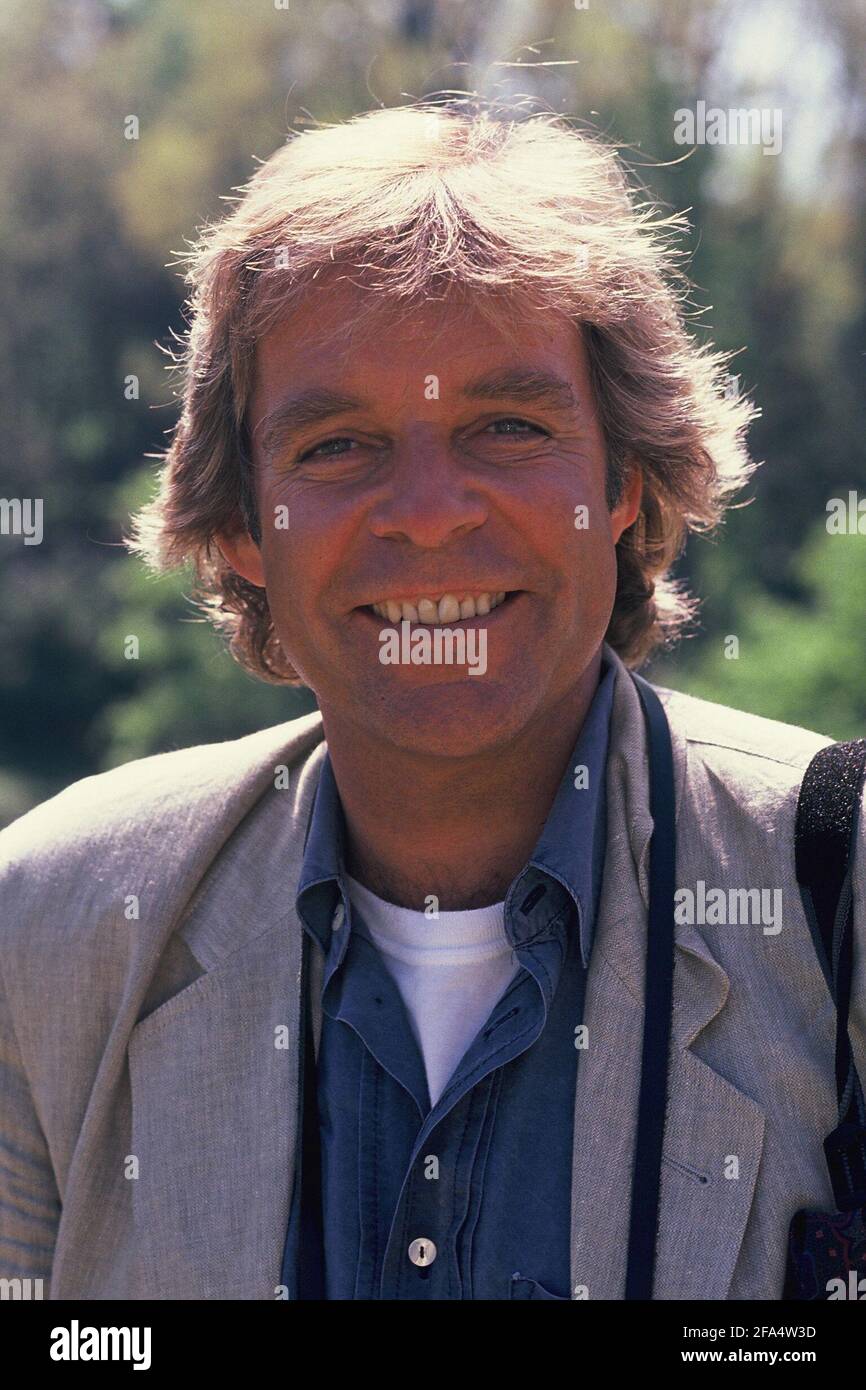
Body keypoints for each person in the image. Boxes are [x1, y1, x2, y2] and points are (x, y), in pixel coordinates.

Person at [1, 100, 863, 1301]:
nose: (426, 510)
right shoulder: (46, 930)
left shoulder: (836, 894)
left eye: (505, 426)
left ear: (622, 478)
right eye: (338, 445)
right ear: (244, 522)